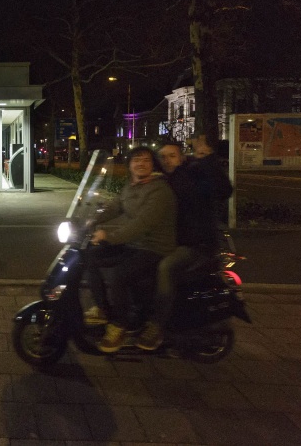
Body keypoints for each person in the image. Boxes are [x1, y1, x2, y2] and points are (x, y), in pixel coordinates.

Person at [137, 136, 233, 350]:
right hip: (171, 242)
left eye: (172, 156)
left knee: (166, 267)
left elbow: (223, 190)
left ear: (182, 157)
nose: (167, 160)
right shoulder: (160, 180)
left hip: (197, 245)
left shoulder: (194, 175)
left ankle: (156, 326)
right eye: (162, 157)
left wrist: (208, 159)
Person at [86, 146, 177, 353]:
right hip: (134, 244)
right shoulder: (131, 186)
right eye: (136, 160)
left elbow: (141, 224)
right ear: (129, 165)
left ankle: (120, 325)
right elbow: (115, 206)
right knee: (90, 256)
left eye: (146, 160)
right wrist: (91, 219)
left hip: (154, 248)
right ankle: (103, 309)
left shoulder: (159, 190)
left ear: (153, 164)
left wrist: (109, 236)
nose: (141, 164)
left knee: (119, 275)